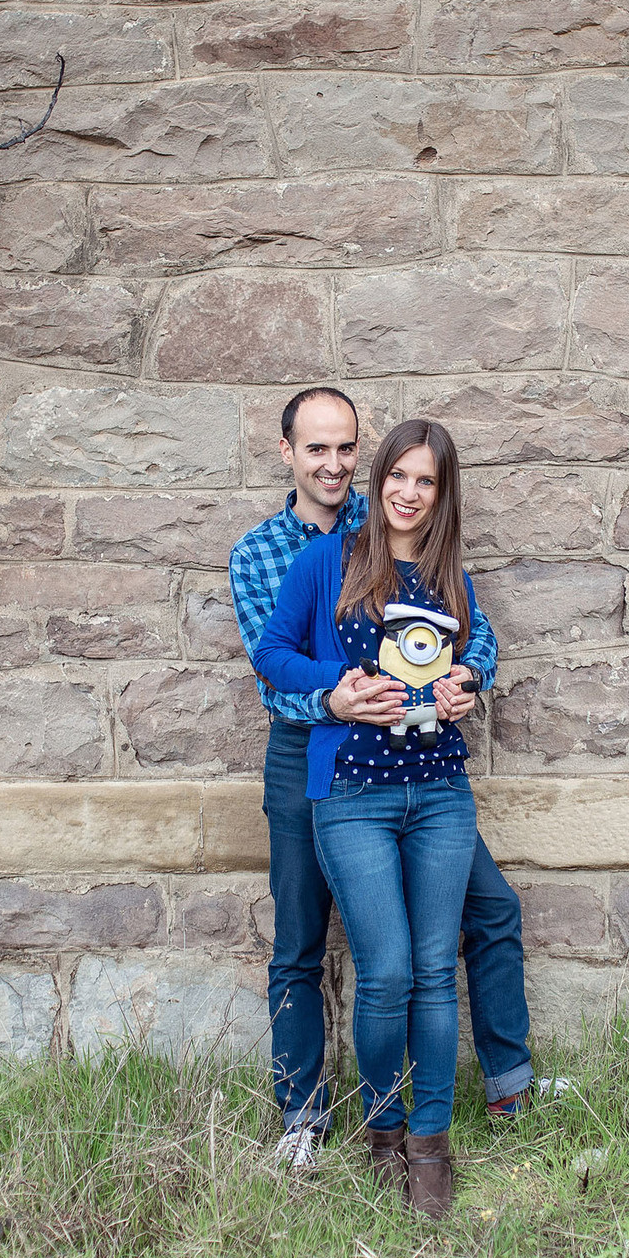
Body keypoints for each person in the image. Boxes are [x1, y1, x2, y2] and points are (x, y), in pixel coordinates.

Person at [227, 389, 542, 1180]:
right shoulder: (271, 552)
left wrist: (470, 673)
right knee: (304, 939)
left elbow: (474, 636)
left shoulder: (406, 539)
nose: (332, 465)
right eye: (315, 450)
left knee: (484, 913)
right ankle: (304, 1112)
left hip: (420, 770)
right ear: (288, 453)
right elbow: (275, 665)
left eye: (344, 450)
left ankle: (502, 1089)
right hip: (314, 752)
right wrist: (335, 693)